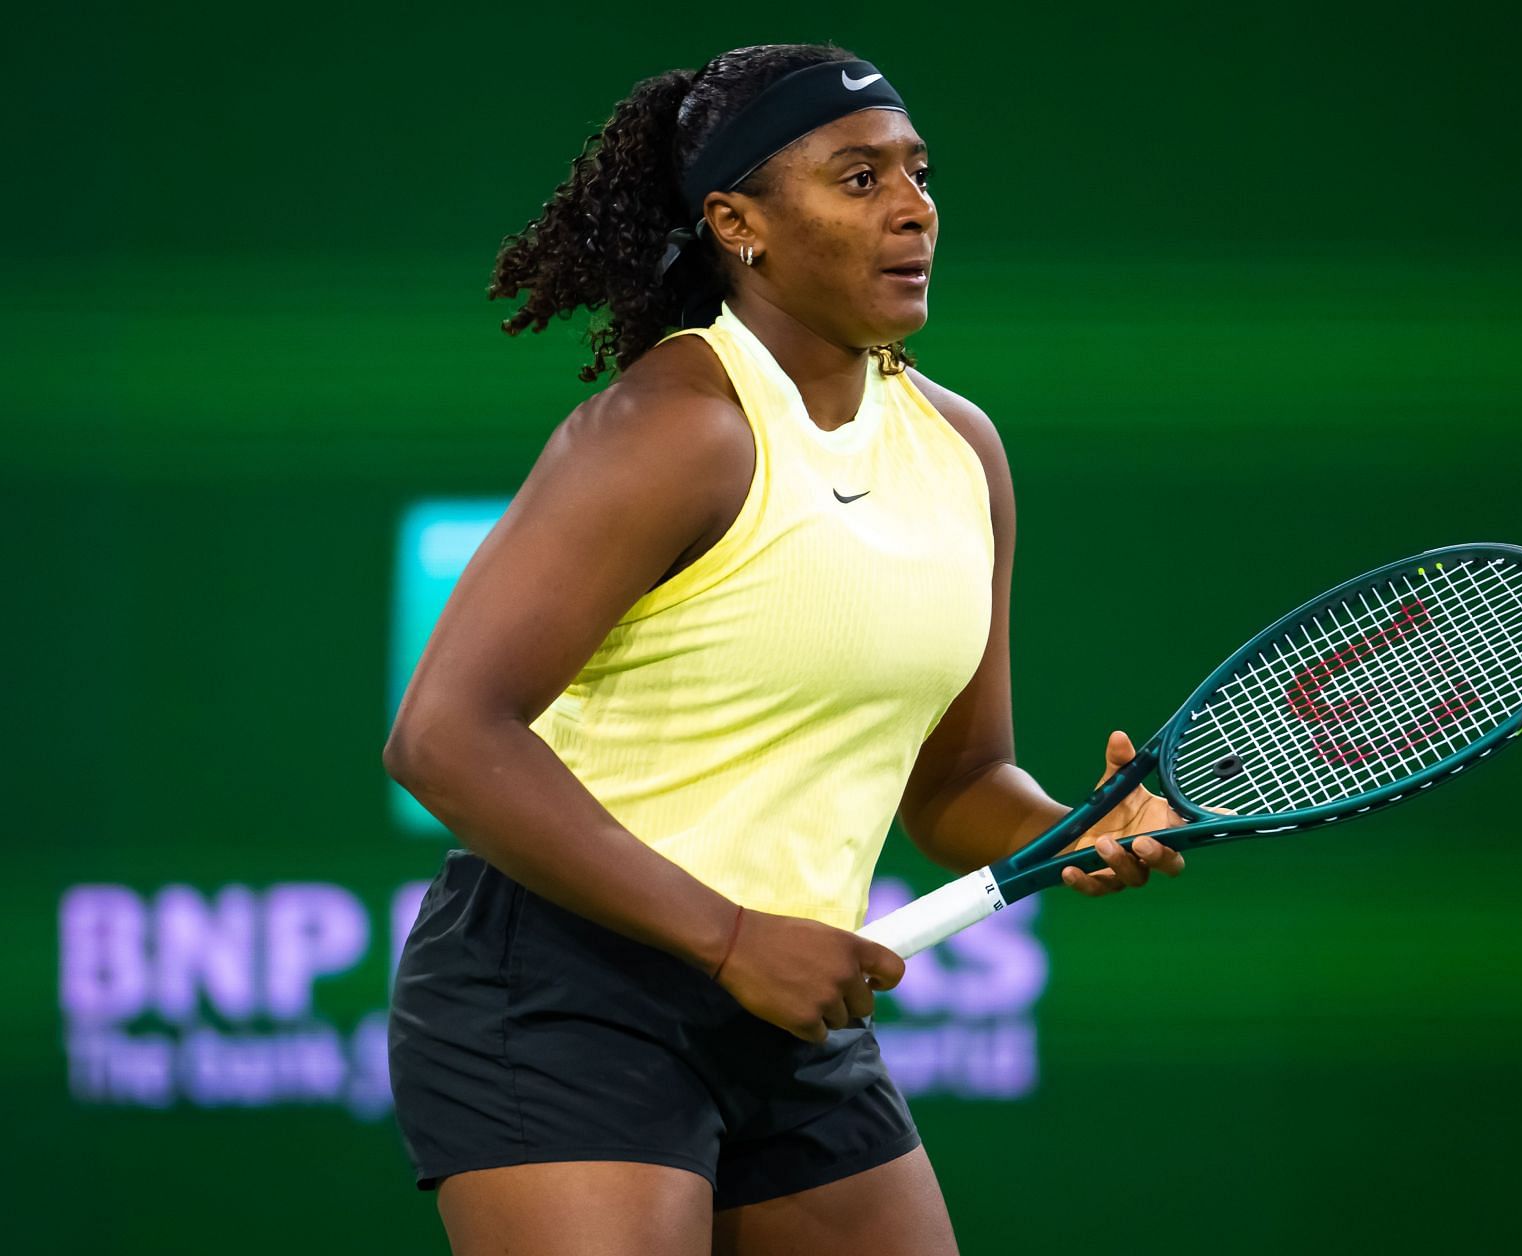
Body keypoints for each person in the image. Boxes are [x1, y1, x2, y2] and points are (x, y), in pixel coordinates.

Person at [384, 42, 1190, 1256]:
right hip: (564, 991)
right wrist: (727, 937)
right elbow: (442, 733)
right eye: (857, 179)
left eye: (918, 174)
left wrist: (1066, 830)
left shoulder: (961, 452)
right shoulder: (676, 427)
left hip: (790, 1010)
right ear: (738, 224)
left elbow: (958, 781)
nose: (914, 208)